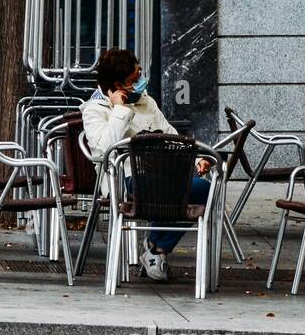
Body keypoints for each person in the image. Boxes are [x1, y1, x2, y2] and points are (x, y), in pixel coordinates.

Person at [80, 49, 211, 281]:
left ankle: (156, 248)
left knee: (202, 188)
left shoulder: (146, 101)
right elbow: (104, 151)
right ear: (120, 85)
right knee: (183, 190)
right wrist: (120, 111)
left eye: (140, 73)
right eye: (135, 78)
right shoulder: (94, 110)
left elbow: (172, 135)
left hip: (164, 175)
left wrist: (197, 157)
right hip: (126, 181)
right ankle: (155, 248)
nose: (141, 81)